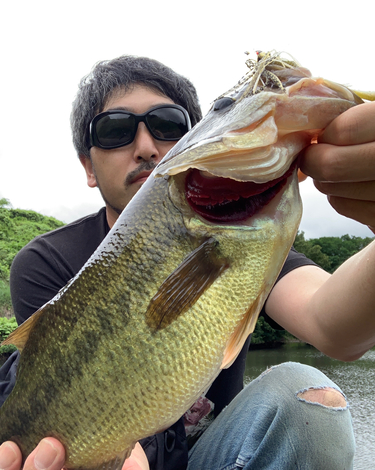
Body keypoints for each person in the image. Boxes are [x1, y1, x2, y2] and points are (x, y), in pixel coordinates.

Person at [0, 55, 374, 470]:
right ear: (88, 166)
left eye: (168, 125)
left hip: (219, 455)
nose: (145, 147)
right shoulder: (44, 260)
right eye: (115, 132)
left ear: (192, 138)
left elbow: (335, 327)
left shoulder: (249, 234)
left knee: (307, 398)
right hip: (105, 450)